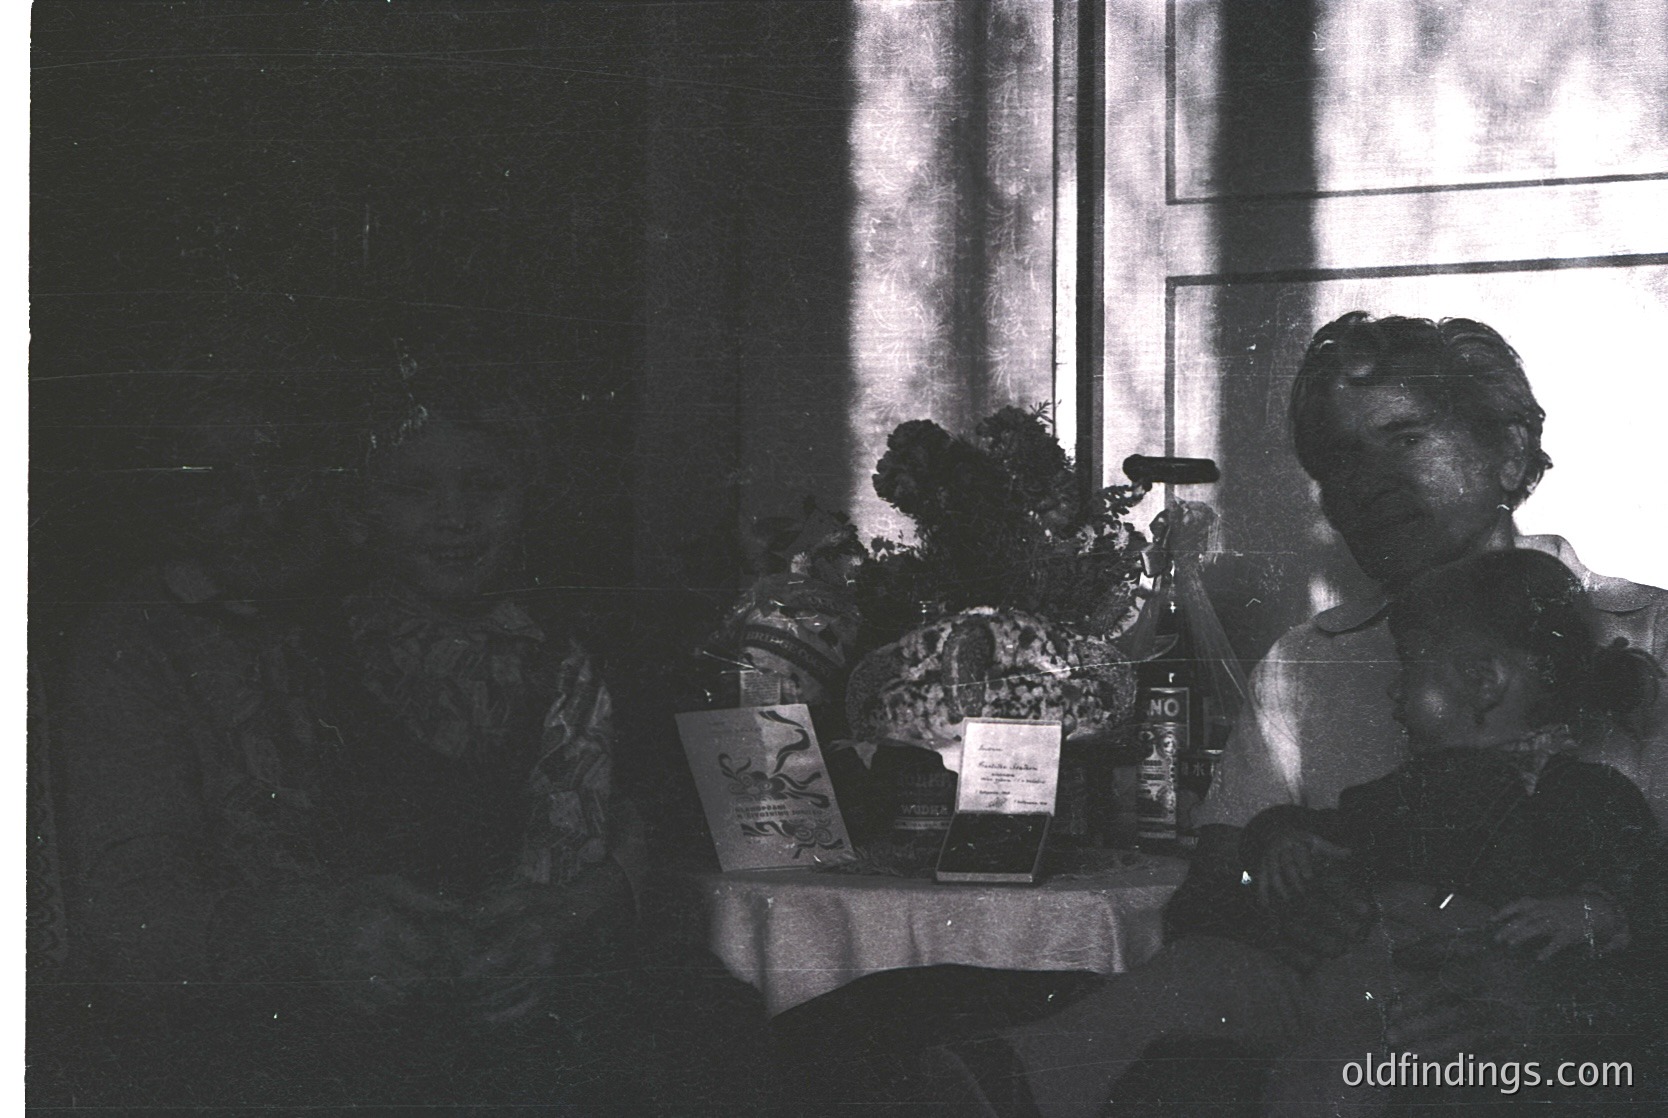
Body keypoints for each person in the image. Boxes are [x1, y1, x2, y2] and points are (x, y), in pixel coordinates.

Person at [923, 313, 1668, 1117]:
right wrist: (1286, 903)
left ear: (1510, 452)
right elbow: (1206, 903)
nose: (1366, 481)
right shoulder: (1309, 658)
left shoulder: (1644, 636)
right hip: (1347, 1011)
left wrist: (1567, 1009)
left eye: (1405, 438)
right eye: (1340, 459)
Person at [52, 366, 667, 1112]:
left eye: (283, 472)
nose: (265, 507)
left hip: (478, 996)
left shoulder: (402, 604)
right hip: (262, 1031)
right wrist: (310, 932)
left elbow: (611, 798)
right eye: (220, 486)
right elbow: (134, 915)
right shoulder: (140, 640)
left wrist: (579, 907)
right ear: (170, 500)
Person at [1244, 549, 1666, 1114]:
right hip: (1389, 1008)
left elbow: (1649, 892)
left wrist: (1599, 911)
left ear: (1482, 681)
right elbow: (1326, 829)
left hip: (1501, 1040)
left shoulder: (1591, 795)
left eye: (1411, 665)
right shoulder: (1408, 790)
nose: (1395, 690)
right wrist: (1279, 833)